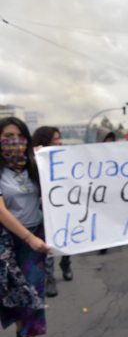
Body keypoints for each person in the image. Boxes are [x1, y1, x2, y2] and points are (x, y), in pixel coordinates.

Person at [0, 117, 52, 337]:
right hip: (6, 240)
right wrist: (27, 238)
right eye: (7, 137)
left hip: (34, 235)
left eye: (18, 136)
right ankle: (22, 327)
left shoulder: (35, 165)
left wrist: (47, 159)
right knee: (11, 289)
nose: (13, 142)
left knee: (32, 287)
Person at [31, 126, 73, 299]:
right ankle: (50, 278)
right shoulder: (34, 159)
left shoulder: (64, 156)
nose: (59, 142)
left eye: (59, 138)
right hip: (44, 207)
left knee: (66, 237)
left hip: (64, 205)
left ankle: (66, 262)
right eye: (56, 139)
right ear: (46, 140)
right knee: (48, 242)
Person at [96, 127, 115, 255]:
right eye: (107, 139)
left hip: (112, 192)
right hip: (99, 192)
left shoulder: (116, 153)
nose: (109, 142)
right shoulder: (93, 154)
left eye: (111, 140)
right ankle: (103, 243)